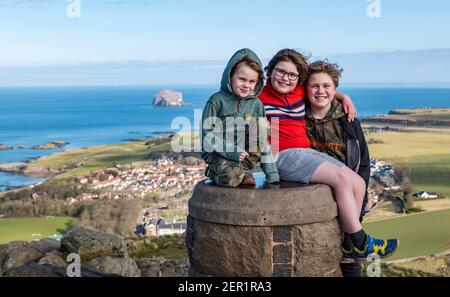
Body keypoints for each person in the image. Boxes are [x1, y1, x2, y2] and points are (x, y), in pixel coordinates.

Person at [258, 49, 399, 264]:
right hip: (280, 155)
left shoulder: (297, 93)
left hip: (306, 154)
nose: (286, 78)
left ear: (299, 80)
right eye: (280, 72)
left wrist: (344, 97)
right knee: (341, 179)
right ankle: (361, 242)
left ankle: (349, 243)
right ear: (270, 71)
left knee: (358, 183)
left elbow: (323, 89)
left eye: (292, 75)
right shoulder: (258, 97)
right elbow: (234, 98)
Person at [304, 60, 371, 276]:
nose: (321, 91)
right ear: (305, 88)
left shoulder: (348, 120)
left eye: (327, 86)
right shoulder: (297, 117)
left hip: (349, 199)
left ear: (335, 89)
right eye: (314, 86)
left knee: (351, 262)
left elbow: (363, 163)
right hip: (314, 203)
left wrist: (359, 207)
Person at [201, 48, 279, 188]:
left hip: (244, 155)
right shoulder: (216, 101)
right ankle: (214, 172)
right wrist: (233, 152)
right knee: (231, 179)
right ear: (230, 76)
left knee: (262, 125)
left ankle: (245, 170)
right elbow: (209, 136)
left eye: (251, 81)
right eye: (242, 79)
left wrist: (272, 174)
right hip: (219, 153)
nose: (246, 85)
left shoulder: (256, 104)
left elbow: (263, 141)